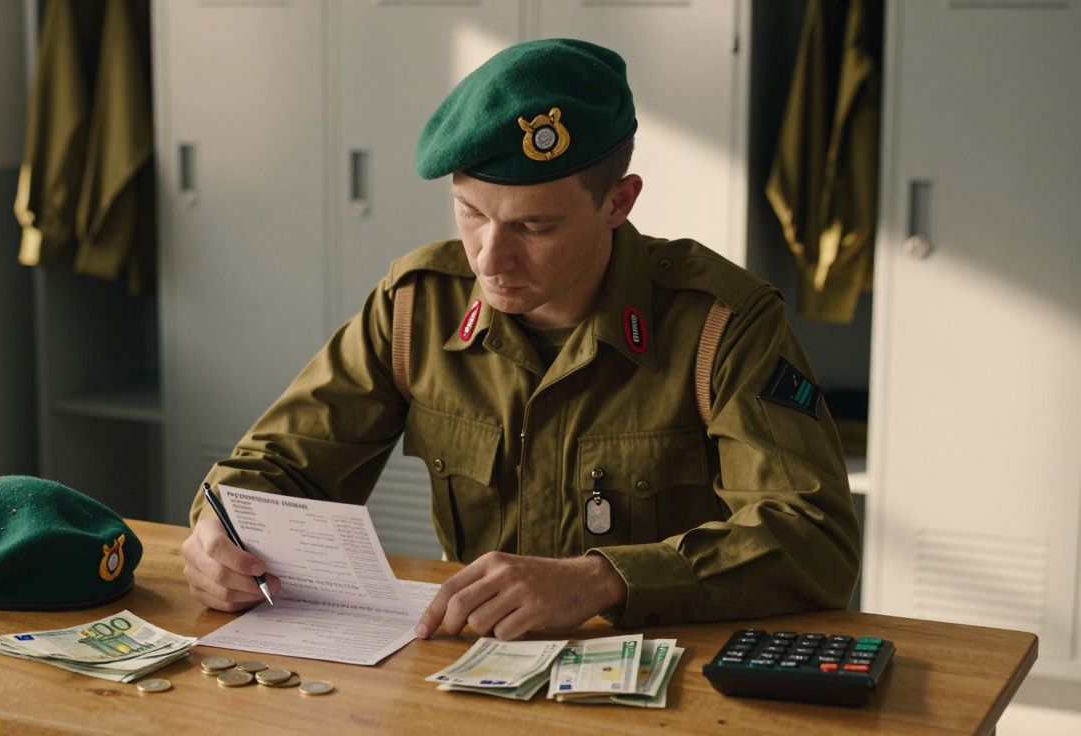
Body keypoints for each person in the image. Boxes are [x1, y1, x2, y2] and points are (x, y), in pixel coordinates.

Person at [180, 38, 860, 640]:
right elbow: (272, 469)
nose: (489, 258)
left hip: (661, 679)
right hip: (470, 666)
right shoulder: (417, 305)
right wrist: (220, 534)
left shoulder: (721, 323)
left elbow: (815, 539)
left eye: (534, 228)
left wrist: (603, 579)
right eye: (470, 213)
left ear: (619, 201)